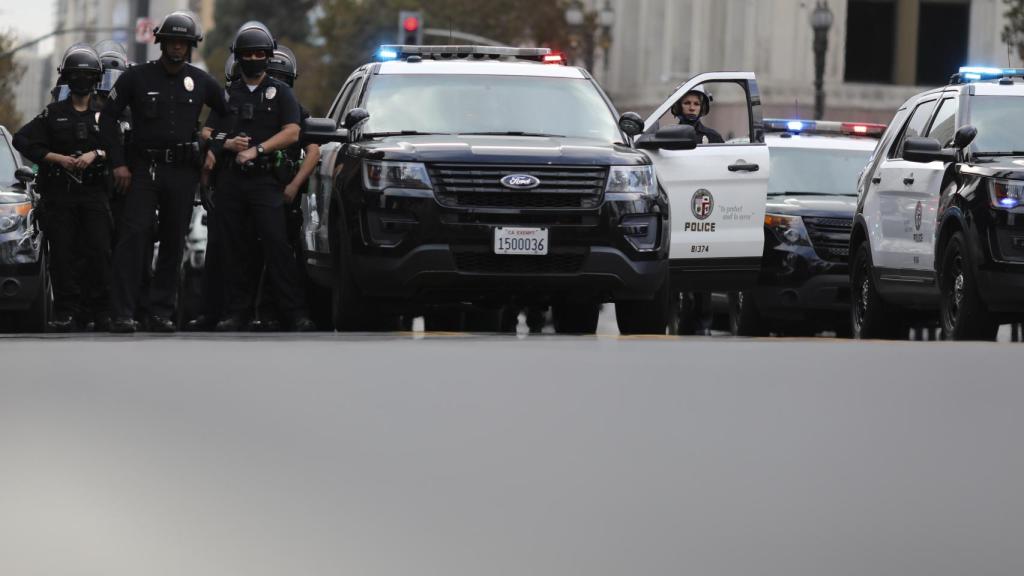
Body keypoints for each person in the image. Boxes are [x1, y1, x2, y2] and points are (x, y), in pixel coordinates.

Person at [99, 10, 229, 333]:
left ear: (191, 47)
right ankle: (123, 313)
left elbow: (229, 111)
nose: (177, 48)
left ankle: (160, 312)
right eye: (172, 41)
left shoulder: (200, 81)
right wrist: (118, 163)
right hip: (144, 169)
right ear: (160, 42)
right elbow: (108, 118)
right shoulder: (137, 77)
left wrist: (212, 148)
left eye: (183, 43)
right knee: (134, 237)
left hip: (183, 172)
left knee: (173, 241)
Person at [204, 22, 314, 332]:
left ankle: (294, 313)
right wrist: (226, 144)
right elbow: (206, 130)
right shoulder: (226, 94)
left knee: (277, 246)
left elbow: (293, 132)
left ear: (268, 56)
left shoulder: (281, 93)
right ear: (238, 58)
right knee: (234, 248)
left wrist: (258, 150)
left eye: (259, 53)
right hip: (232, 181)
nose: (253, 59)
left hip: (266, 181)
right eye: (247, 54)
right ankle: (235, 313)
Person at [13, 44, 112, 332]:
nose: (82, 80)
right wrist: (57, 159)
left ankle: (101, 310)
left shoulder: (106, 114)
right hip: (60, 195)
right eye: (75, 75)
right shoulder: (53, 113)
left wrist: (97, 154)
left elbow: (121, 146)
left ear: (97, 79)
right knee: (63, 254)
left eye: (87, 75)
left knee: (99, 251)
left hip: (94, 194)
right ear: (67, 78)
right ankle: (67, 311)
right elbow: (21, 139)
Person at [249, 44, 321, 330]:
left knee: (283, 255)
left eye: (282, 79)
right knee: (246, 254)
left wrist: (293, 186)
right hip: (249, 191)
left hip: (282, 194)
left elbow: (314, 151)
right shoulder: (250, 103)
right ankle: (251, 313)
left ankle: (288, 312)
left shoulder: (296, 111)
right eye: (272, 77)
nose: (276, 85)